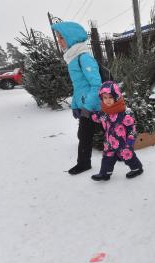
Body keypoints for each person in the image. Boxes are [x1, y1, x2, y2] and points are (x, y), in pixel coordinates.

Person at [52, 22, 102, 175]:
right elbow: (78, 87)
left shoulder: (84, 58)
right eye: (58, 38)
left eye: (61, 37)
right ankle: (118, 152)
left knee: (85, 136)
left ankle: (83, 163)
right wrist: (75, 105)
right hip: (84, 105)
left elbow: (97, 85)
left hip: (93, 106)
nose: (59, 41)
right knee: (87, 134)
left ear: (71, 37)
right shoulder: (72, 58)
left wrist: (87, 107)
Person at [90, 81, 143, 181]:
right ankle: (105, 173)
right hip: (109, 141)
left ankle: (137, 168)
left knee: (128, 156)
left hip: (123, 143)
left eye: (110, 97)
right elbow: (97, 117)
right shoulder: (104, 111)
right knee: (107, 157)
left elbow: (132, 128)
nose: (107, 100)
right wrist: (90, 114)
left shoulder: (124, 113)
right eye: (105, 98)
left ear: (116, 97)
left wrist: (130, 141)